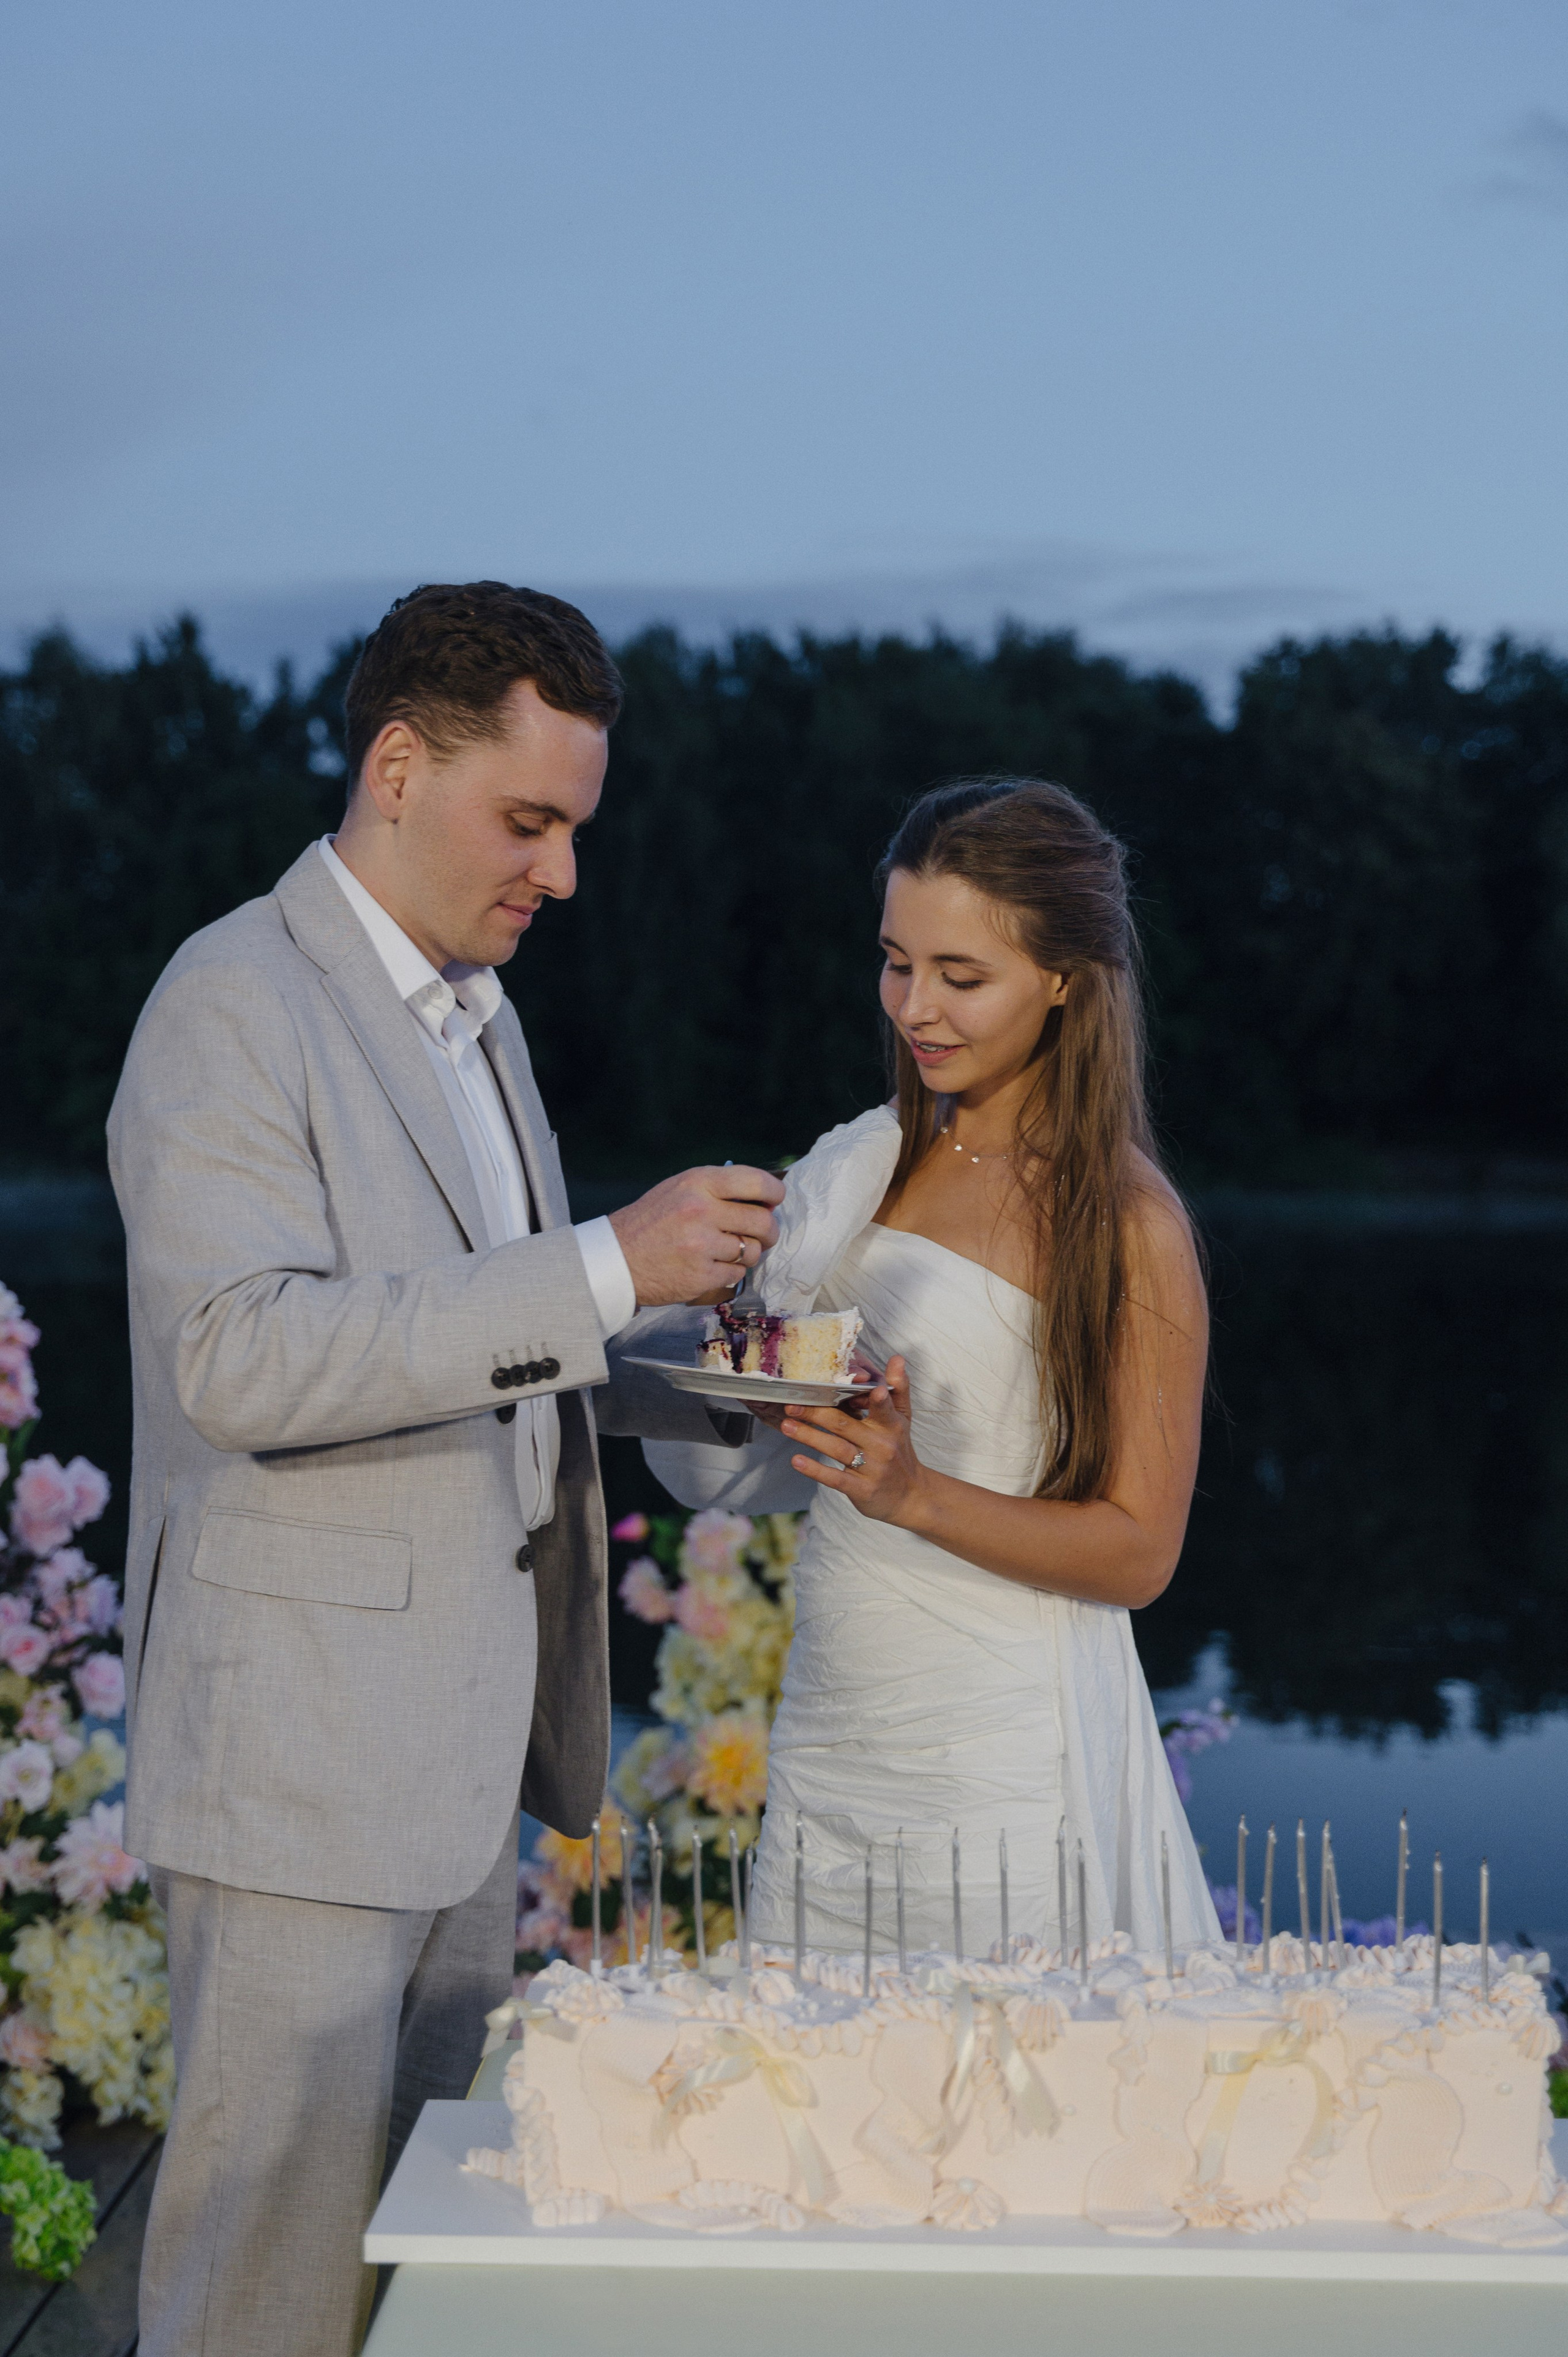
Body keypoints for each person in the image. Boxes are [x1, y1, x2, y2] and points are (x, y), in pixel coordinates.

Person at [107, 581, 782, 2357]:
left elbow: (501, 1347)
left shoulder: (479, 1019)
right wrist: (610, 1261)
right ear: (400, 767)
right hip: (294, 1776)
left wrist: (745, 1390)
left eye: (575, 829)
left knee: (411, 2294)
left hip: (459, 1768)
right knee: (258, 2296)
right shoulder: (229, 1001)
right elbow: (239, 1354)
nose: (561, 874)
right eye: (531, 821)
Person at [646, 778, 1220, 1958]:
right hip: (837, 1721)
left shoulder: (1126, 1222)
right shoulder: (867, 1162)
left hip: (1001, 1746)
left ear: (1065, 978)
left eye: (963, 977)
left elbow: (1139, 1552)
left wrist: (911, 1491)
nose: (917, 1007)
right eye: (896, 961)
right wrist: (730, 1333)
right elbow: (766, 1442)